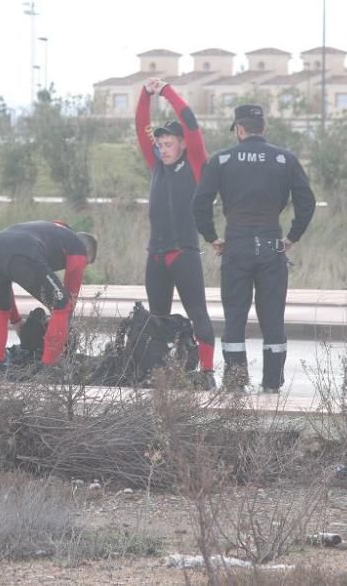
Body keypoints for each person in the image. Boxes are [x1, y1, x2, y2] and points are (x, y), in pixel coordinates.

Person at [191, 104, 316, 392]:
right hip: (272, 246)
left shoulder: (222, 160)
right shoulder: (285, 159)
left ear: (240, 129)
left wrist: (212, 238)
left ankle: (236, 384)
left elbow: (199, 203)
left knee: (235, 317)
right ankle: (272, 384)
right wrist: (292, 237)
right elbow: (306, 202)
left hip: (235, 246)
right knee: (272, 318)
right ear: (264, 128)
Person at [135, 76, 217, 390]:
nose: (163, 149)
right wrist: (145, 94)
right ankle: (159, 376)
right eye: (160, 145)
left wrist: (166, 91)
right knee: (157, 320)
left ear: (182, 145)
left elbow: (190, 122)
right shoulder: (156, 166)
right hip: (155, 254)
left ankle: (207, 373)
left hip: (184, 252)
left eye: (169, 144)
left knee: (198, 314)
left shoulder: (196, 162)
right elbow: (141, 124)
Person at [0, 221, 97, 370]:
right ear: (87, 253)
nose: (84, 266)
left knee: (0, 309)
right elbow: (69, 298)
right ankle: (49, 367)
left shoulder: (51, 233)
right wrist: (63, 327)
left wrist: (16, 321)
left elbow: (5, 292)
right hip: (24, 253)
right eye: (87, 263)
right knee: (63, 305)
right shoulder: (78, 248)